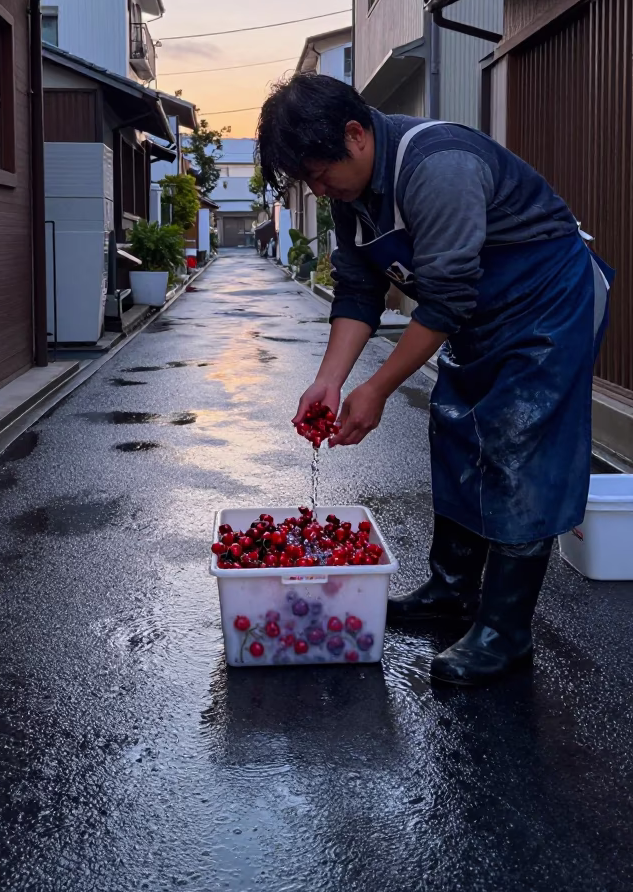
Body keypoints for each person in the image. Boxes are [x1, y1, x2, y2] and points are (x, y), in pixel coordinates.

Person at [257, 74, 613, 687]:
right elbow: (359, 289)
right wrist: (329, 381)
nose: (318, 189)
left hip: (546, 307)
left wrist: (376, 389)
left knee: (517, 452)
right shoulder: (351, 193)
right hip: (479, 318)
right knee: (455, 432)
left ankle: (505, 632)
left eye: (318, 173)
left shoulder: (437, 165)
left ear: (355, 135)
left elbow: (446, 299)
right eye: (306, 180)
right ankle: (451, 591)